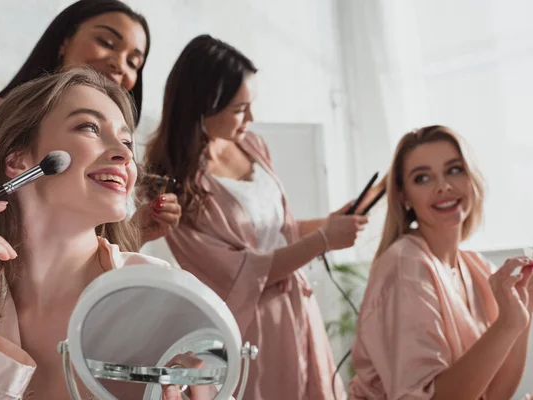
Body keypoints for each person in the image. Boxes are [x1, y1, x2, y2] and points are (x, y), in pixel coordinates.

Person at [0, 68, 209, 400]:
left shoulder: (170, 297)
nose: (125, 154)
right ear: (18, 161)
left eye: (127, 141)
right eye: (89, 127)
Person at [144, 34, 368, 400]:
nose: (251, 118)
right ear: (201, 106)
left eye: (250, 105)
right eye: (238, 109)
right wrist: (325, 240)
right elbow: (244, 272)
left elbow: (280, 231)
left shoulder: (252, 145)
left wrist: (330, 223)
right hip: (253, 327)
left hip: (299, 309)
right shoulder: (177, 183)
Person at [0, 0, 180, 242]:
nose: (119, 64)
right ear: (65, 40)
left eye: (133, 62)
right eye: (106, 43)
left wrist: (135, 232)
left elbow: (82, 261)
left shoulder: (116, 161)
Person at [348, 125, 533, 400]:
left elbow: (495, 394)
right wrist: (508, 323)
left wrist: (526, 306)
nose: (443, 186)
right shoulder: (406, 266)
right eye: (422, 178)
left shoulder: (476, 267)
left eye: (454, 170)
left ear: (470, 177)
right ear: (404, 196)